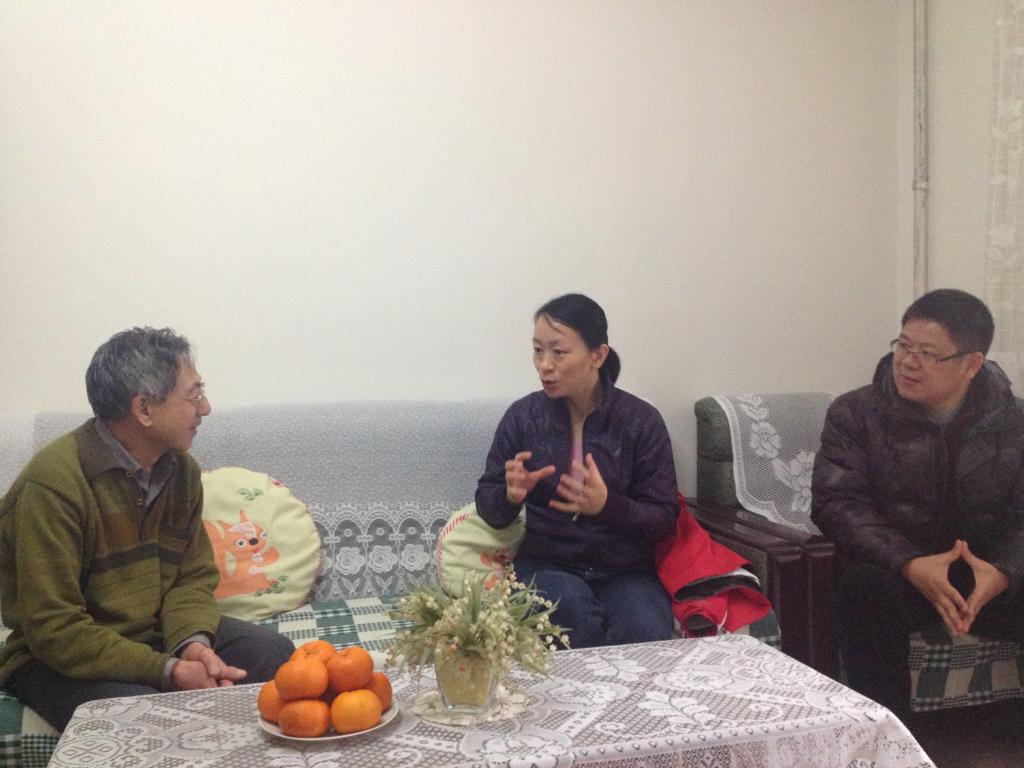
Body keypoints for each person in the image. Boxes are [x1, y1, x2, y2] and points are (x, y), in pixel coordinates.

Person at [0, 327, 294, 730]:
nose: (206, 408)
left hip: (152, 634)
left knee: (275, 656)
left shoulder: (180, 471)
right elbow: (54, 630)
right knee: (146, 714)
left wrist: (193, 644)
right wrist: (167, 671)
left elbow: (190, 578)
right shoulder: (54, 485)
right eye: (193, 395)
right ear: (144, 410)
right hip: (53, 658)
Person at [811, 289, 1024, 715]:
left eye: (927, 353)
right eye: (903, 346)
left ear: (971, 364)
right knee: (863, 587)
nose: (908, 362)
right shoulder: (856, 413)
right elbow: (837, 504)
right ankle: (890, 739)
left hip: (984, 575)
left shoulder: (1014, 422)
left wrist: (1004, 571)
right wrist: (910, 563)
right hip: (900, 574)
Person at [475, 293, 678, 647]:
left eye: (558, 351)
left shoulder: (640, 421)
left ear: (597, 355)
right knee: (572, 618)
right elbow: (488, 507)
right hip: (546, 566)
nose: (544, 365)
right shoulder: (523, 418)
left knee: (644, 630)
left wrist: (607, 506)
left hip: (626, 571)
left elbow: (664, 519)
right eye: (538, 350)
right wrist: (509, 496)